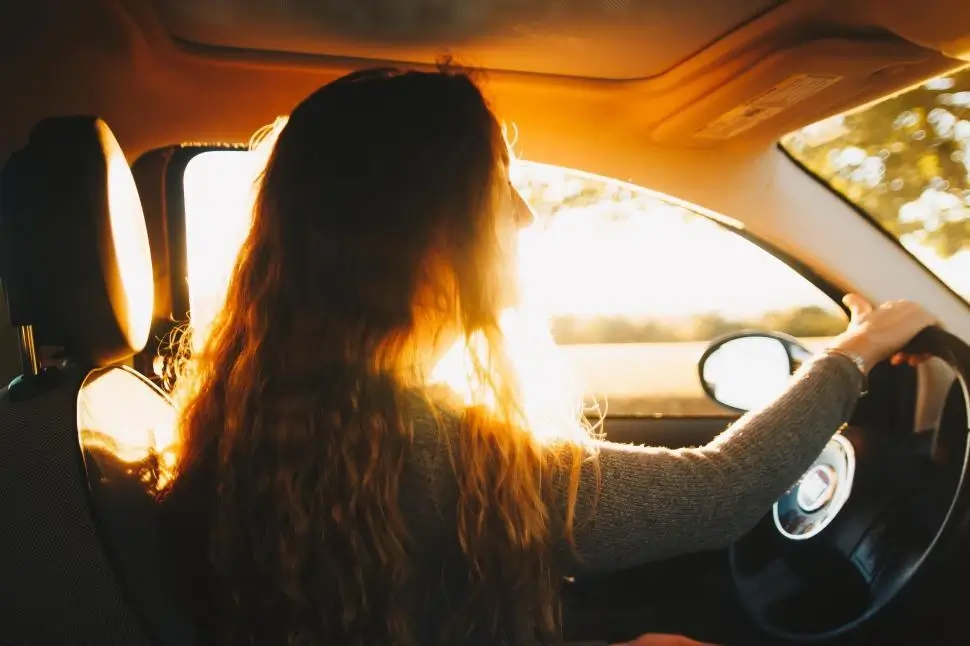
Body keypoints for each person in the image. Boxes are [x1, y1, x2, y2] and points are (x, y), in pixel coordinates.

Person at [157, 66, 936, 646]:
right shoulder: (433, 452)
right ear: (418, 233)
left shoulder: (272, 416)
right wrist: (856, 350)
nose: (524, 217)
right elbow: (720, 494)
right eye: (497, 188)